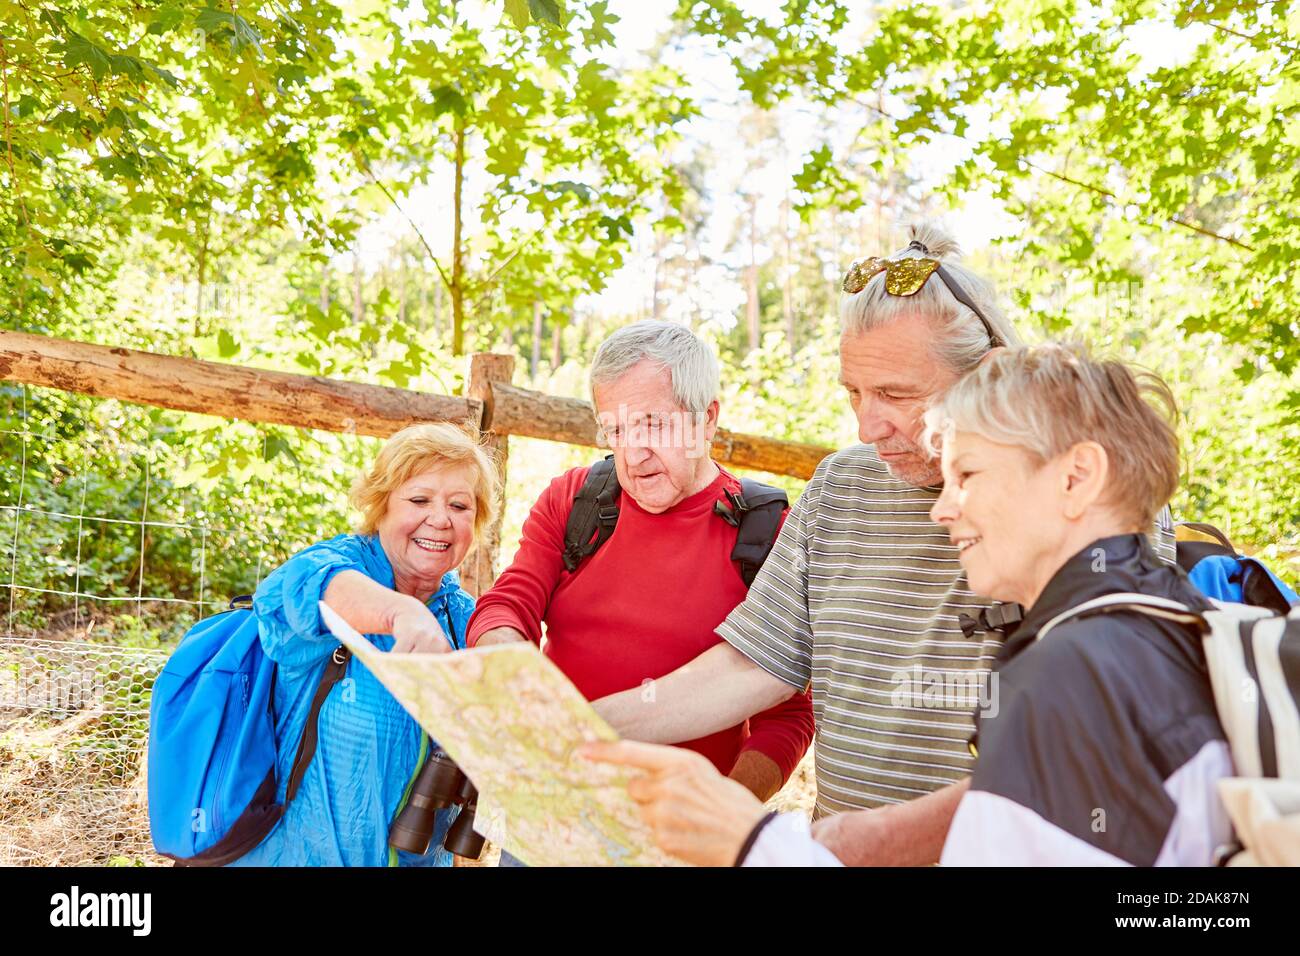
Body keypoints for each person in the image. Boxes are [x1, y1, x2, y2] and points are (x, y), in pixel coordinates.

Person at [591, 224, 1176, 865]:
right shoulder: (842, 484)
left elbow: (1083, 749)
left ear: (987, 376)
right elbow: (752, 665)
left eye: (896, 394)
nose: (867, 426)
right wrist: (575, 730)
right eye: (853, 393)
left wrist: (816, 847)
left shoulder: (1077, 508)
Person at [465, 322, 814, 822]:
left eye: (654, 424)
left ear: (707, 419)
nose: (633, 453)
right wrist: (505, 662)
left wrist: (722, 815)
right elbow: (508, 604)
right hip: (549, 808)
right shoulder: (575, 501)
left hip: (674, 829)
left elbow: (788, 708)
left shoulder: (766, 533)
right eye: (617, 429)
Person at [229, 422, 499, 866]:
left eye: (459, 505)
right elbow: (304, 587)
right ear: (381, 506)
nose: (441, 519)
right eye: (418, 500)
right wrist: (399, 613)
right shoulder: (336, 567)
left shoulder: (465, 620)